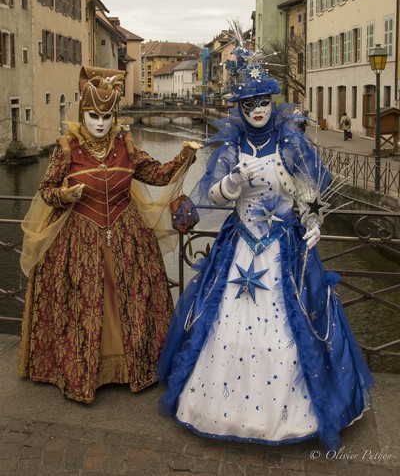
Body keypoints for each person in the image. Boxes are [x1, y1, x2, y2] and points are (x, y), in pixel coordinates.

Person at [158, 42, 373, 451]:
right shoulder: (230, 148)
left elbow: (310, 196)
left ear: (273, 103)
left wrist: (313, 224)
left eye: (263, 102)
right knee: (220, 324)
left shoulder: (292, 144)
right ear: (238, 107)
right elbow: (214, 197)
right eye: (248, 103)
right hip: (239, 245)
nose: (257, 109)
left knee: (294, 330)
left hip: (285, 252)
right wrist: (233, 182)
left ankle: (294, 416)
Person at [18, 65, 201, 403]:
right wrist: (65, 195)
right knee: (82, 300)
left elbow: (158, 176)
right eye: (92, 115)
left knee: (129, 295)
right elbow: (46, 190)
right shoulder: (67, 149)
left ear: (114, 116)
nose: (100, 123)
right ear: (82, 113)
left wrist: (185, 154)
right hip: (77, 237)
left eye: (106, 116)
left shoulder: (126, 148)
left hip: (127, 234)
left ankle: (134, 367)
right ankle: (81, 371)